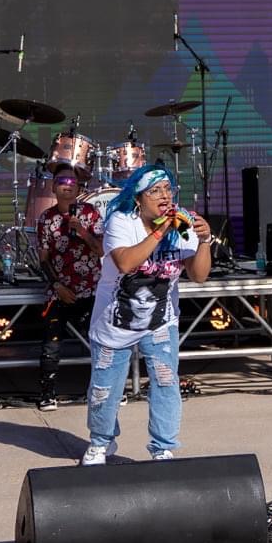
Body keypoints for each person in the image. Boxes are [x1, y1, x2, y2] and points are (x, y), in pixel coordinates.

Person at [81, 164, 212, 465]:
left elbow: (199, 275)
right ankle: (101, 442)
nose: (165, 196)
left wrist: (204, 241)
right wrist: (161, 230)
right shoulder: (122, 221)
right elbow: (126, 263)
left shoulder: (182, 225)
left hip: (160, 321)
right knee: (105, 388)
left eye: (168, 189)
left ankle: (162, 446)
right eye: (155, 191)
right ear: (138, 198)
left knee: (166, 383)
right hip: (115, 323)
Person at [35, 163, 103, 411]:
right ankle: (47, 392)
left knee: (103, 342)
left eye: (72, 182)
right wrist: (56, 285)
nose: (67, 186)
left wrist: (82, 232)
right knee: (51, 343)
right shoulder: (46, 219)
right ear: (53, 187)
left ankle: (107, 389)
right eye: (62, 181)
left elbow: (101, 249)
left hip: (92, 289)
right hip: (61, 289)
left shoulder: (90, 213)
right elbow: (43, 258)